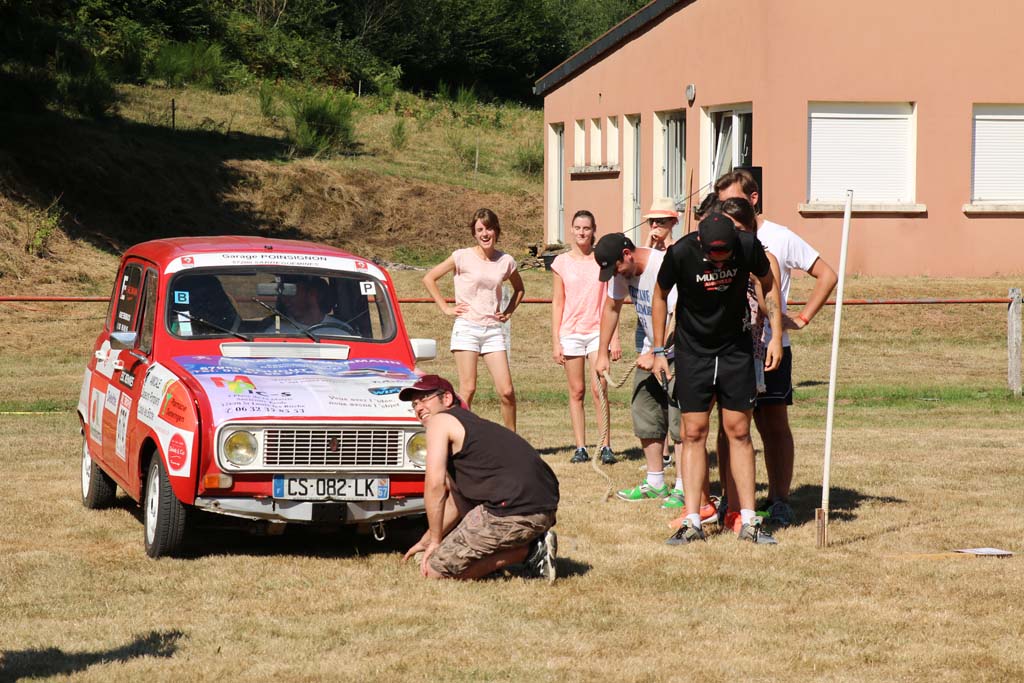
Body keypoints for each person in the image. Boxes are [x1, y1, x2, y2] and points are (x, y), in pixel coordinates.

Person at [651, 212, 783, 545]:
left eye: (726, 256)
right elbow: (660, 295)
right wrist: (658, 349)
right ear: (701, 243)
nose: (721, 262)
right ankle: (693, 520)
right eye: (714, 257)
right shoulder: (681, 253)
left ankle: (749, 520)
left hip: (735, 350)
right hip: (693, 352)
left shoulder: (748, 245)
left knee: (739, 430)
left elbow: (768, 283)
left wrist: (776, 335)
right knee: (693, 432)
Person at [715, 170, 838, 527]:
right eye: (721, 204)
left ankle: (779, 500)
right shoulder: (718, 236)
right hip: (730, 348)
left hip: (770, 349)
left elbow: (828, 275)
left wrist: (800, 318)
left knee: (773, 426)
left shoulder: (779, 237)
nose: (725, 210)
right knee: (729, 428)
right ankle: (730, 500)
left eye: (731, 201)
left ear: (752, 199)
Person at [593, 233, 716, 523]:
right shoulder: (621, 272)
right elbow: (611, 308)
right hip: (651, 351)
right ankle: (655, 481)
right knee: (645, 411)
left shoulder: (662, 265)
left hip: (681, 352)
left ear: (627, 254)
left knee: (680, 423)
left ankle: (684, 488)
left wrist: (658, 351)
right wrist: (601, 352)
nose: (617, 276)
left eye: (617, 268)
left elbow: (678, 313)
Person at [399, 375, 560, 581]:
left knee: (434, 570)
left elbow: (434, 485)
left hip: (514, 512)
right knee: (438, 556)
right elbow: (455, 500)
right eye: (414, 404)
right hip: (542, 508)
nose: (419, 408)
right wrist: (427, 541)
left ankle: (531, 551)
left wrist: (437, 541)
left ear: (446, 398)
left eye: (424, 399)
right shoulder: (469, 425)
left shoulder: (440, 421)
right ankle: (526, 545)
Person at [713, 196, 783, 534]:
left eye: (739, 228)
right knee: (722, 428)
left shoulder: (762, 258)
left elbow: (771, 304)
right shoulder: (716, 256)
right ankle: (727, 500)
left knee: (742, 428)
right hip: (716, 350)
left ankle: (752, 503)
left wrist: (775, 337)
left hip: (749, 348)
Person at [423, 208, 525, 430]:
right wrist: (446, 308)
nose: (485, 234)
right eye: (480, 230)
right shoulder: (461, 256)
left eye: (489, 228)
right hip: (467, 328)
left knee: (507, 391)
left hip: (492, 330)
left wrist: (508, 311)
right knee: (468, 389)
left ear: (496, 230)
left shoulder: (506, 261)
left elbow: (519, 289)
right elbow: (429, 278)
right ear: (474, 233)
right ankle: (458, 438)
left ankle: (512, 440)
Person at [550, 210, 621, 465]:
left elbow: (612, 301)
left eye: (587, 228)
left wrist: (614, 338)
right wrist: (556, 341)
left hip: (597, 332)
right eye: (578, 228)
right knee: (576, 390)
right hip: (571, 332)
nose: (582, 232)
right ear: (572, 230)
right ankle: (580, 447)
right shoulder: (561, 262)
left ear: (593, 231)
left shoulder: (601, 259)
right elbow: (558, 302)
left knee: (599, 388)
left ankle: (606, 445)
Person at [262, 276, 354, 335]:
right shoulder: (275, 332)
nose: (284, 300)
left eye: (291, 292)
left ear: (312, 294)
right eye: (282, 295)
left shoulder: (342, 331)